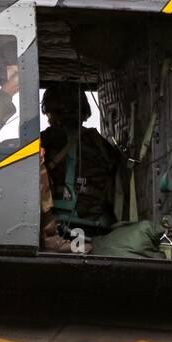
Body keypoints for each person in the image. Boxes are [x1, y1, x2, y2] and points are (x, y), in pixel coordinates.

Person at [40, 82, 119, 239]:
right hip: (96, 226)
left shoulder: (42, 142)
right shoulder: (102, 145)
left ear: (50, 111)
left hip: (50, 226)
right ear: (83, 111)